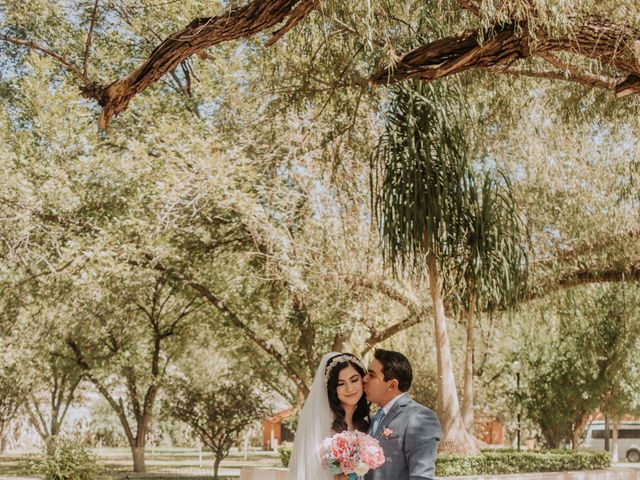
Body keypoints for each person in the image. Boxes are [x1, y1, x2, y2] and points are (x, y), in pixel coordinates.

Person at [287, 352, 370, 480]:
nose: (349, 388)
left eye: (354, 380)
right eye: (340, 384)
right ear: (332, 388)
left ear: (363, 380)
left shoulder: (369, 423)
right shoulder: (320, 424)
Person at [363, 349, 442, 480]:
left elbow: (421, 477)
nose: (364, 379)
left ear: (392, 385)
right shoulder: (372, 419)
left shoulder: (419, 418)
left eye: (371, 375)